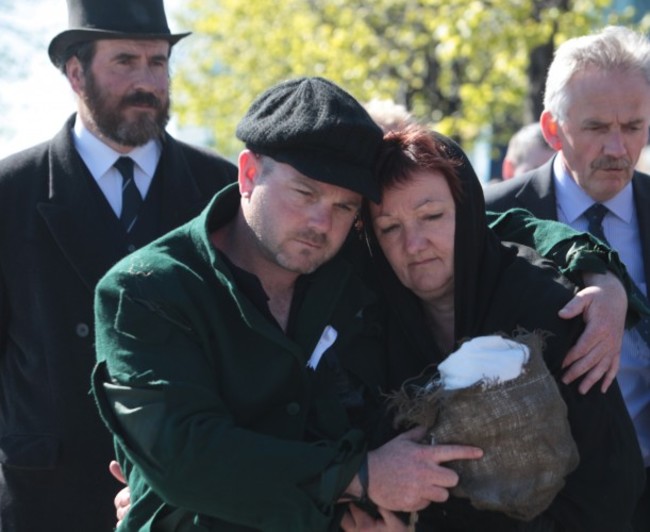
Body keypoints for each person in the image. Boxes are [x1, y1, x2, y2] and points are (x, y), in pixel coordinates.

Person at [91, 76, 486, 531]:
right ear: (248, 174)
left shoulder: (354, 266)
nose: (322, 222)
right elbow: (189, 458)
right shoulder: (147, 290)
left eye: (345, 206)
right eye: (306, 193)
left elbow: (489, 228)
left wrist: (587, 268)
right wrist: (359, 476)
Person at [0, 0, 236, 529]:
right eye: (125, 61)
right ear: (75, 72)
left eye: (158, 62)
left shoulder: (220, 192)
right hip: (47, 496)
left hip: (189, 502)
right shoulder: (9, 193)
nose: (147, 81)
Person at [358, 123, 644, 531]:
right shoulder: (367, 323)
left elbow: (611, 485)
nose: (414, 244)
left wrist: (605, 278)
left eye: (432, 216)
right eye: (390, 227)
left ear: (470, 214)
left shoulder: (544, 308)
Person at [484, 25, 650, 530]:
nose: (619, 148)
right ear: (553, 130)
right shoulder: (492, 215)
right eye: (598, 127)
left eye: (635, 126)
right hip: (535, 508)